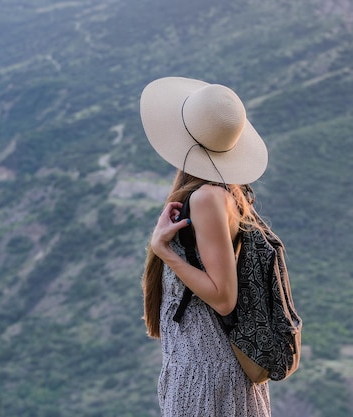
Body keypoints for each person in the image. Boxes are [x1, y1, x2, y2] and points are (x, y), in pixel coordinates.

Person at [140, 77, 272, 416]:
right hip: (210, 375)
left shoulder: (207, 199)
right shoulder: (227, 195)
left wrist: (164, 250)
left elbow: (224, 298)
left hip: (207, 378)